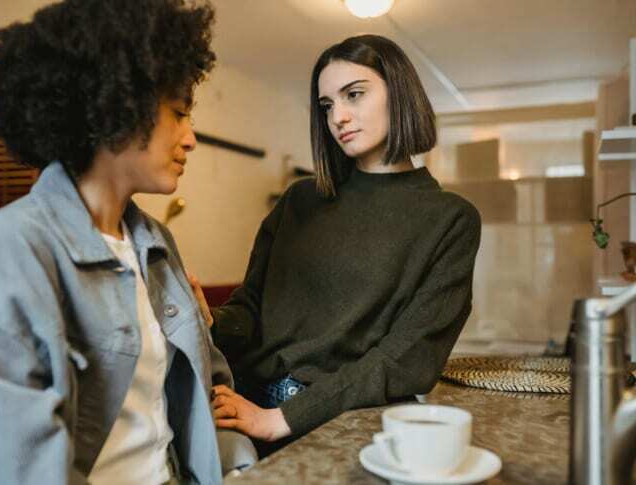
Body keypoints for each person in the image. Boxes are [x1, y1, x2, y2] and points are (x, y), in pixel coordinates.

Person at [0, 0, 255, 483]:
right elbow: (19, 466)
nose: (191, 137)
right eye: (179, 112)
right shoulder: (12, 249)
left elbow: (197, 391)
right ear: (116, 105)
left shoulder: (156, 245)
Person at [203, 34, 482, 455]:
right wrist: (207, 320)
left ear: (399, 92)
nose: (338, 117)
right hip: (243, 405)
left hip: (342, 425)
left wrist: (280, 419)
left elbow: (405, 359)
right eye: (327, 105)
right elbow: (252, 310)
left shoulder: (449, 220)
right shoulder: (299, 200)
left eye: (354, 95)